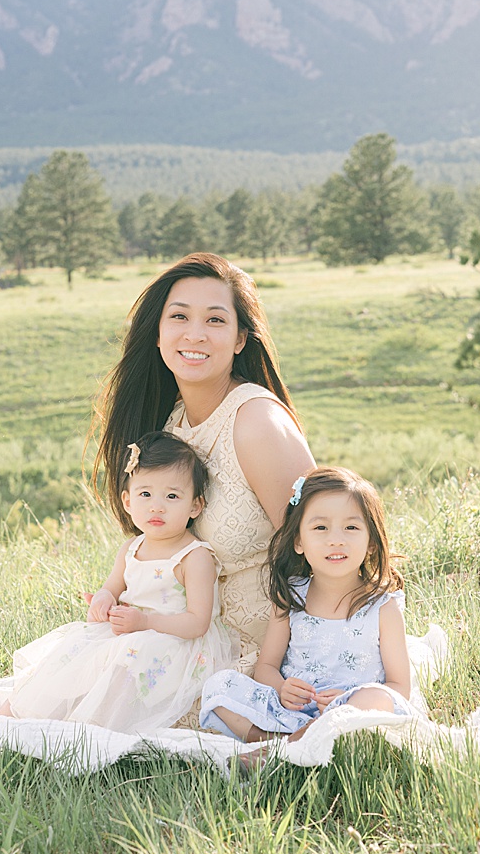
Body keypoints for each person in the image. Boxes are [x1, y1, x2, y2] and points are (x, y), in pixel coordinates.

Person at [90, 253, 315, 669]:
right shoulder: (171, 424)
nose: (195, 335)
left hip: (262, 650)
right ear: (157, 334)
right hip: (181, 643)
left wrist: (277, 665)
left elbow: (317, 556)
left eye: (214, 320)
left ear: (240, 339)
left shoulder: (256, 422)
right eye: (179, 317)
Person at [0, 431, 235, 730]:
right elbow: (112, 587)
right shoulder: (131, 549)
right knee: (75, 650)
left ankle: (93, 725)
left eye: (172, 496)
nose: (157, 506)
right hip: (131, 630)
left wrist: (145, 623)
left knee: (125, 658)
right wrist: (104, 599)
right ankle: (21, 712)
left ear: (195, 506)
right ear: (128, 501)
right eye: (145, 494)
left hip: (173, 641)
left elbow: (198, 623)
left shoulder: (193, 556)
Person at [199, 467, 420, 742]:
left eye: (351, 527)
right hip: (294, 710)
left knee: (376, 697)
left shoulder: (382, 607)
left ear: (371, 543)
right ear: (299, 541)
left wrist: (346, 701)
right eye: (320, 528)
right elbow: (266, 666)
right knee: (219, 685)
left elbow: (399, 687)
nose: (336, 539)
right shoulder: (291, 596)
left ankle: (286, 746)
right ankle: (272, 740)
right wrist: (281, 688)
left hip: (348, 716)